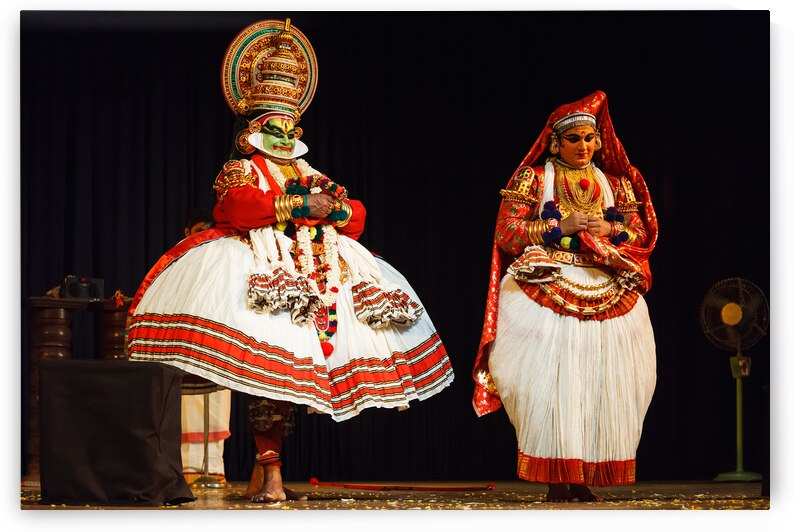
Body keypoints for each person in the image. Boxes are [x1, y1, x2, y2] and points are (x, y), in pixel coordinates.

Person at [127, 19, 454, 503]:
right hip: (261, 269)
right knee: (268, 378)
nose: (283, 136)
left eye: (289, 128)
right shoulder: (241, 168)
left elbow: (357, 215)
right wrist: (299, 206)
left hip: (324, 274)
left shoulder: (310, 171)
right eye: (272, 128)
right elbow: (234, 208)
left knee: (292, 381)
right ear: (251, 133)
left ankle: (266, 476)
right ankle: (272, 475)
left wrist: (333, 209)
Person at [471, 91, 658, 502]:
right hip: (548, 281)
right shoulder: (533, 178)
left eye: (590, 140)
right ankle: (557, 475)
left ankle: (585, 474)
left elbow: (641, 233)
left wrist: (613, 232)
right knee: (552, 382)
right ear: (556, 142)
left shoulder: (616, 182)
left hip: (608, 283)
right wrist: (561, 227)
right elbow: (507, 234)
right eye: (575, 140)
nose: (584, 147)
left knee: (602, 379)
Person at [178, 208, 232, 485]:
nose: (205, 237)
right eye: (200, 232)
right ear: (188, 233)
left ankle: (214, 469)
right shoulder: (178, 259)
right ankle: (189, 469)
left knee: (217, 403)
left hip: (217, 338)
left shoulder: (221, 259)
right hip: (189, 339)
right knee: (190, 404)